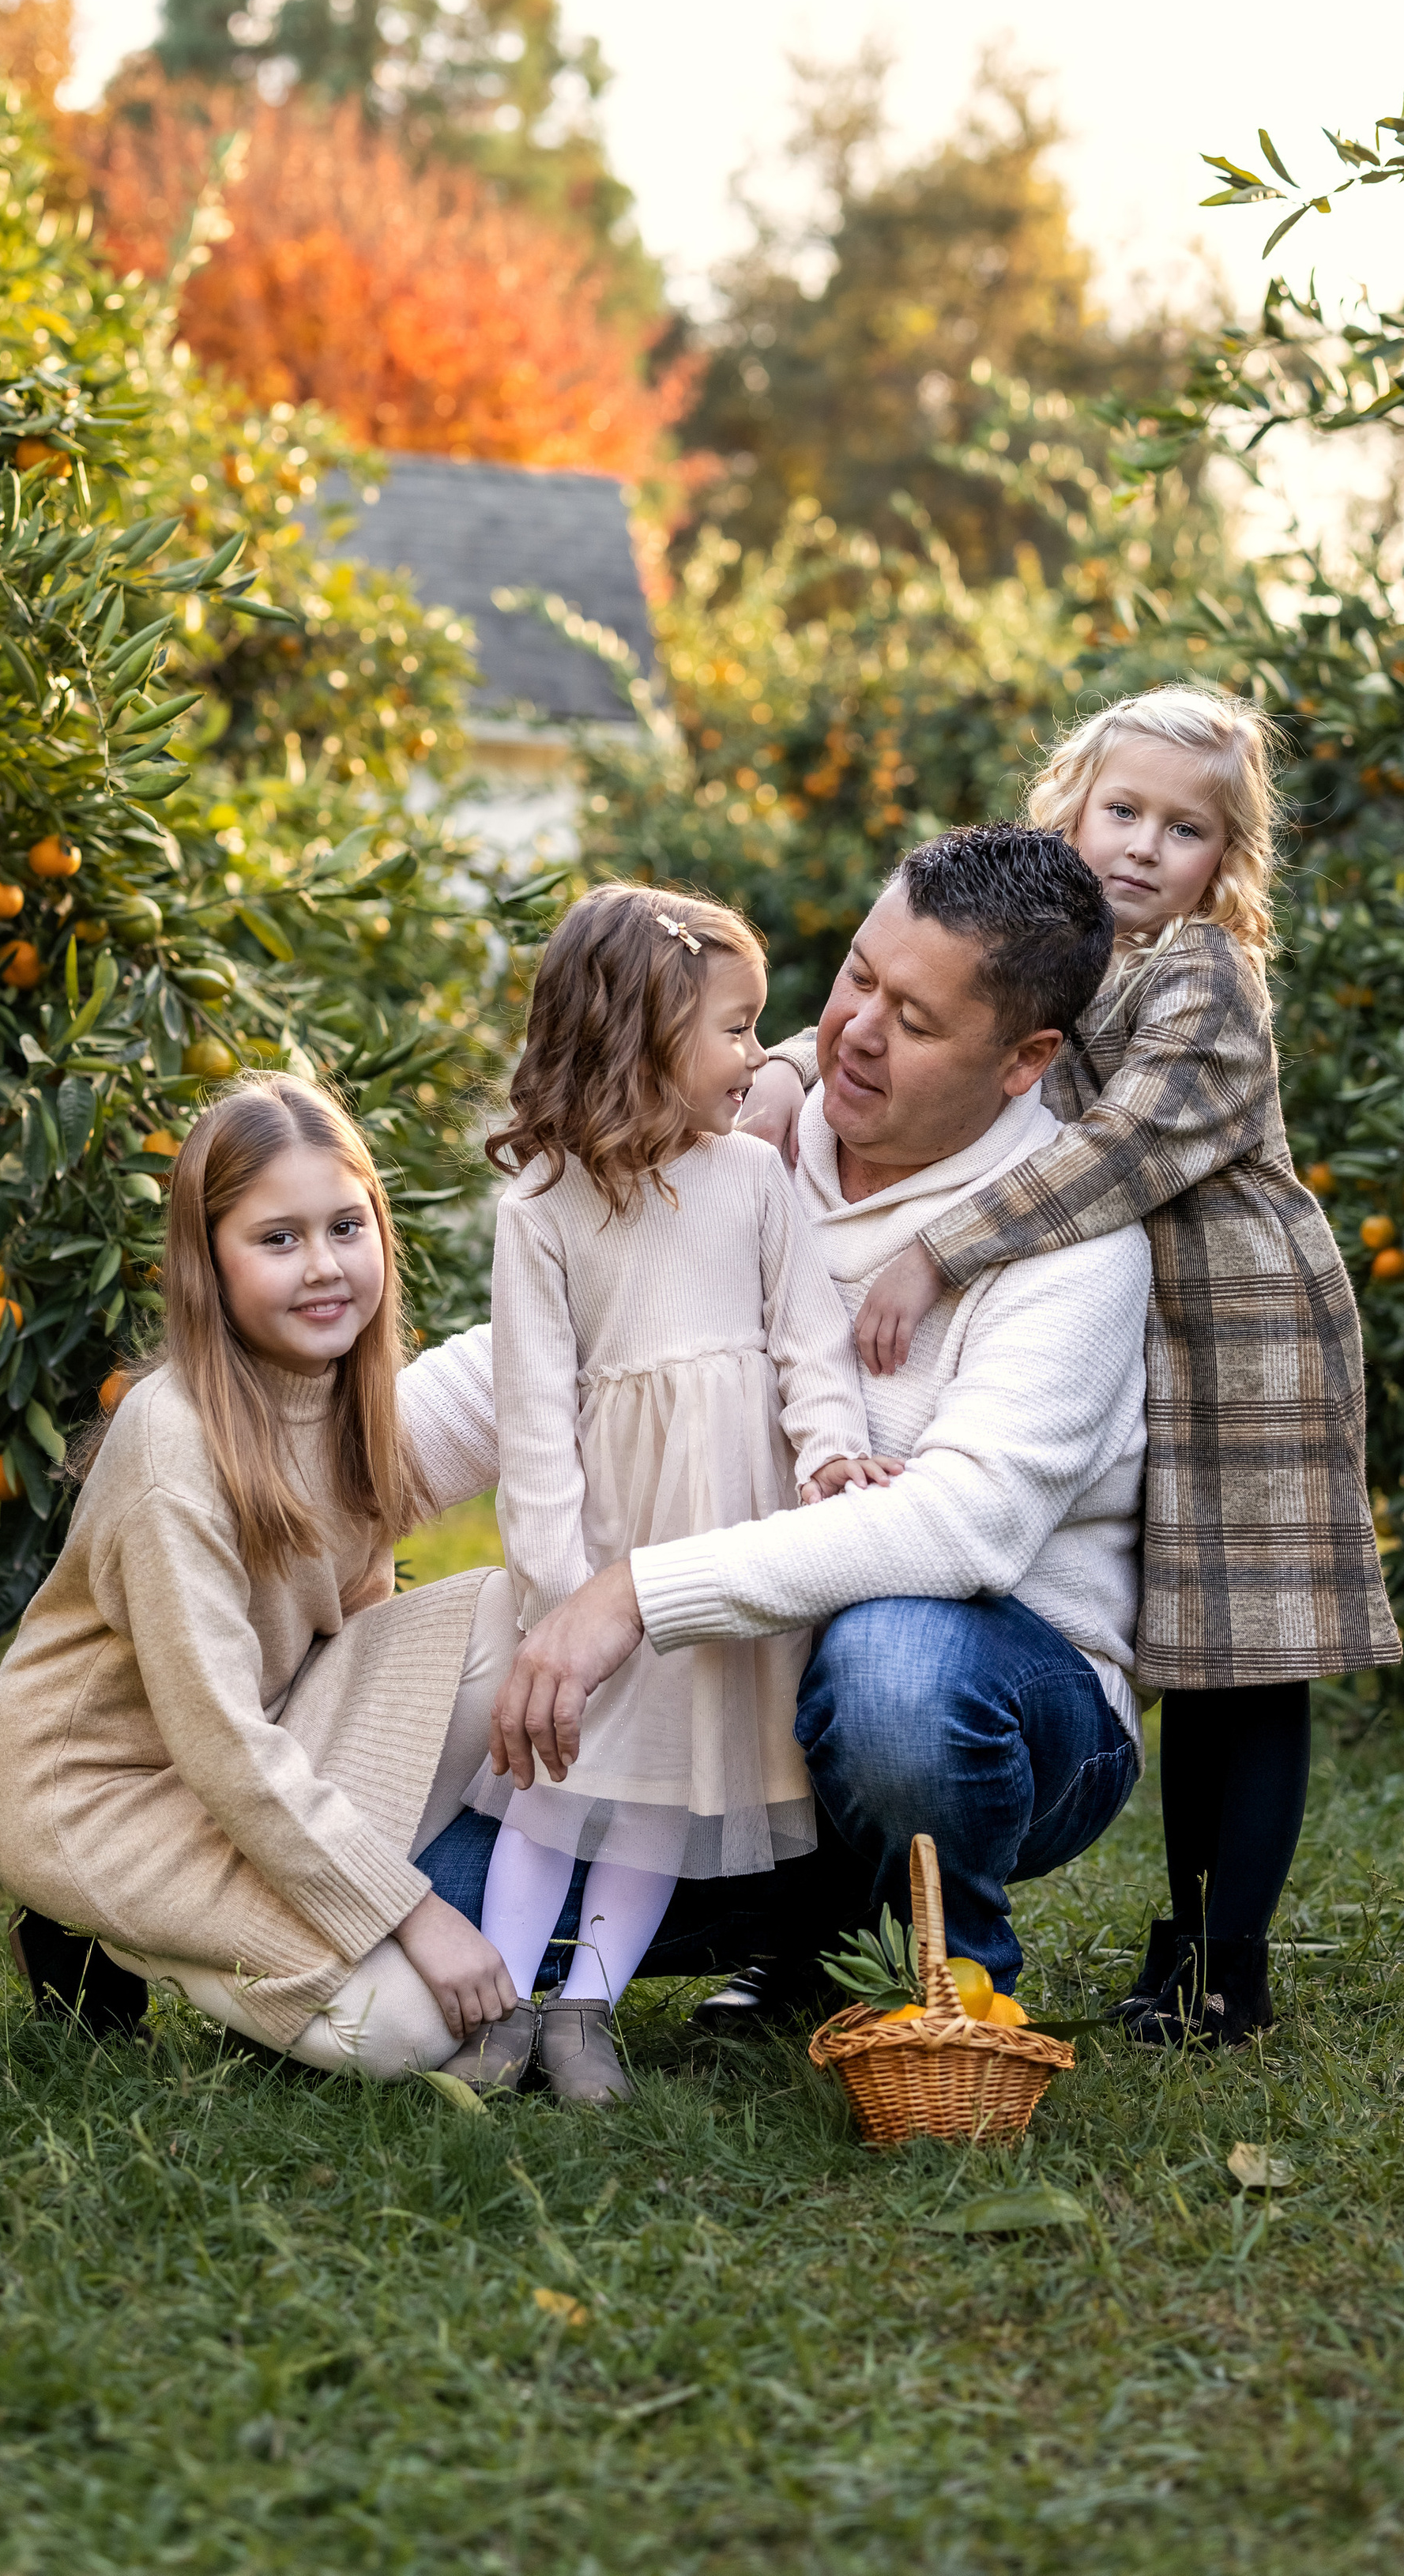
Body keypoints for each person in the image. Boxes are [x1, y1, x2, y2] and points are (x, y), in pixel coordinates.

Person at [745, 687, 1400, 2047]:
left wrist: (945, 1250)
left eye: (1188, 828)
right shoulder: (1075, 956)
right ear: (1071, 804)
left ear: (1231, 860)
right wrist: (773, 1072)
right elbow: (942, 1014)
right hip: (1132, 1318)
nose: (1147, 847)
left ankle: (1221, 1961)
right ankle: (899, 1932)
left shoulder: (1204, 977)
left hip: (1240, 1337)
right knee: (1169, 1635)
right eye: (1124, 810)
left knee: (1241, 1664)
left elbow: (1122, 1150)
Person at [436, 824, 1154, 2013]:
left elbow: (960, 1529)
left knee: (894, 1668)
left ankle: (941, 1986)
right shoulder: (736, 1139)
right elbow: (534, 1369)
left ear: (1024, 1060)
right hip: (730, 1695)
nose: (854, 1034)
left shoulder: (1073, 1246)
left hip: (1000, 1704)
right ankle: (804, 1921)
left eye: (915, 1022)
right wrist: (264, 1469)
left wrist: (629, 1595)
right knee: (439, 1898)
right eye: (859, 977)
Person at [0, 1074, 522, 2079]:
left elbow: (358, 1634)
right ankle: (103, 1933)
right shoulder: (172, 1445)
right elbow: (217, 1738)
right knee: (411, 2035)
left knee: (504, 1616)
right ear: (209, 1263)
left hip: (253, 1748)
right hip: (116, 1795)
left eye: (344, 1228)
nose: (323, 1268)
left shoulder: (349, 1396)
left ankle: (294, 1939)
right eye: (278, 1239)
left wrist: (370, 1828)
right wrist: (414, 1912)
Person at [444, 883, 890, 2106]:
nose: (762, 1057)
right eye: (738, 1030)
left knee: (653, 1792)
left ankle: (586, 2009)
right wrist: (559, 1596)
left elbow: (810, 1347)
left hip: (724, 1538)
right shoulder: (540, 1207)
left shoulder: (754, 1178)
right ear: (639, 1035)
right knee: (558, 1783)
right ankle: (502, 2001)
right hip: (606, 1541)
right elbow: (534, 1419)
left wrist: (830, 1457)